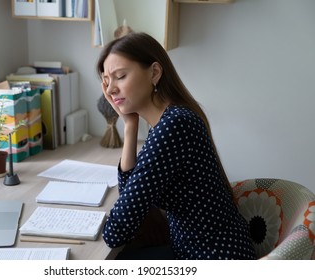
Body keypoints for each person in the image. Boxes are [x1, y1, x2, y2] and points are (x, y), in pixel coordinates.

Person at [95, 32, 256, 260]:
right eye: (106, 81)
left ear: (155, 72)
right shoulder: (167, 120)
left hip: (214, 257)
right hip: (190, 252)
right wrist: (130, 126)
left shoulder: (174, 125)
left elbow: (116, 231)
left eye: (120, 76)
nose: (111, 90)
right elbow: (129, 194)